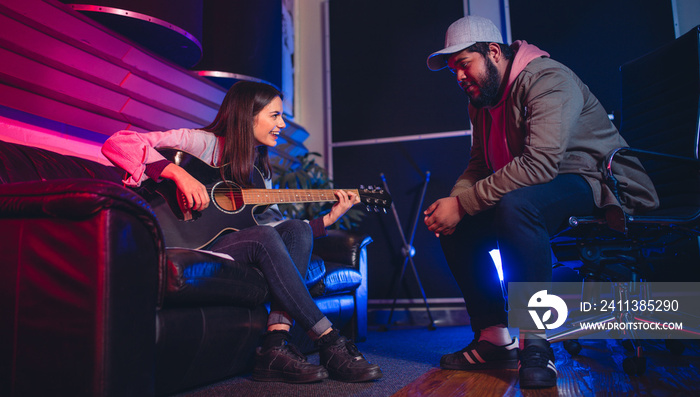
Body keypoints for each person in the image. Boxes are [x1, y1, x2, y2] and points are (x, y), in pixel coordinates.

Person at [422, 16, 658, 388]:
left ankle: (536, 343)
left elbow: (540, 163)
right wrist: (454, 204)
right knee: (459, 221)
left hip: (598, 182)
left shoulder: (548, 79)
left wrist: (465, 203)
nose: (459, 78)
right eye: (453, 71)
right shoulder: (481, 102)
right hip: (541, 186)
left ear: (493, 52)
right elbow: (480, 164)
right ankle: (494, 339)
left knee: (518, 206)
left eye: (464, 65)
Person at [101, 81, 382, 384]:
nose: (282, 124)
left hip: (230, 243)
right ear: (248, 116)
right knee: (265, 238)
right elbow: (118, 142)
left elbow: (273, 229)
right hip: (181, 238)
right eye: (275, 116)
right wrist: (178, 173)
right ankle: (328, 339)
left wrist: (327, 220)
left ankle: (274, 346)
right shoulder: (198, 142)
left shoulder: (257, 172)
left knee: (297, 228)